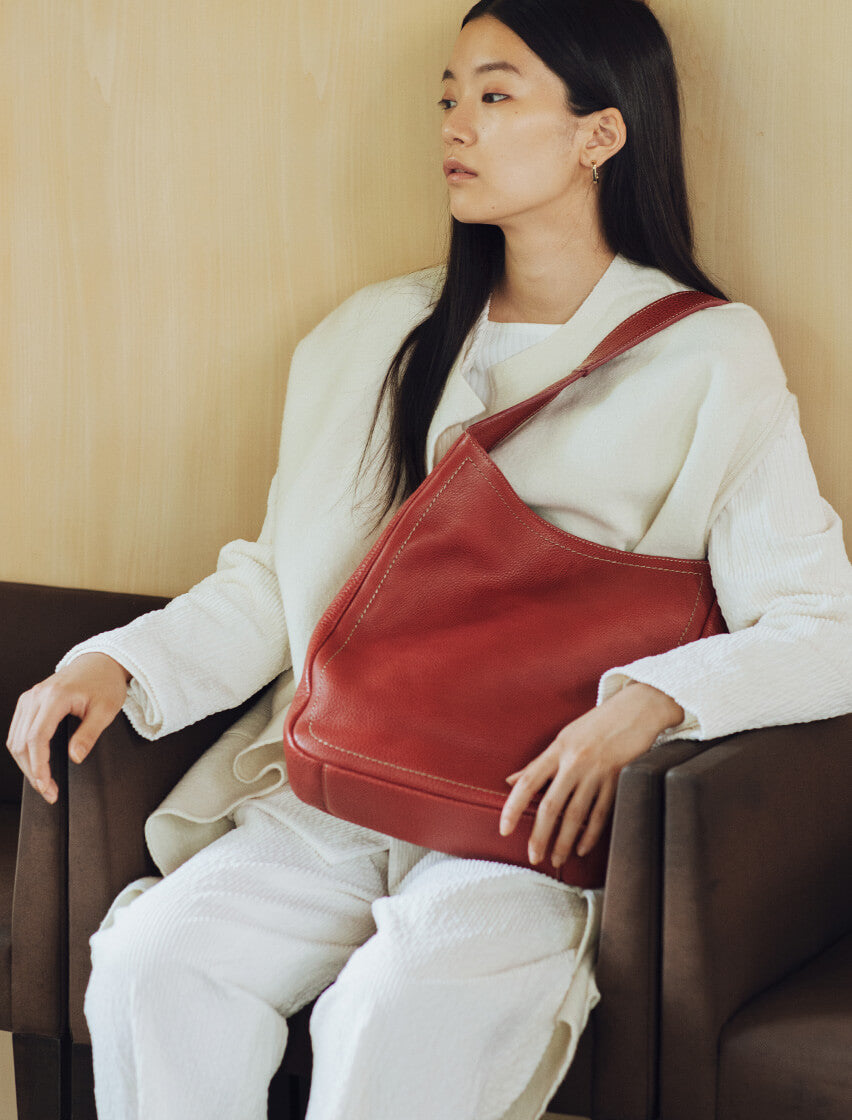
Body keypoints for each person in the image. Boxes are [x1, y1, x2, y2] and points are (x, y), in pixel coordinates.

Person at [7, 1, 852, 1118]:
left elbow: (824, 627)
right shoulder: (373, 338)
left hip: (527, 822)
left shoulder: (708, 356)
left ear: (601, 133)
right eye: (449, 98)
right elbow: (281, 582)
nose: (456, 123)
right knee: (154, 963)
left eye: (496, 96)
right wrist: (118, 664)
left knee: (397, 1008)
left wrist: (646, 705)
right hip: (340, 789)